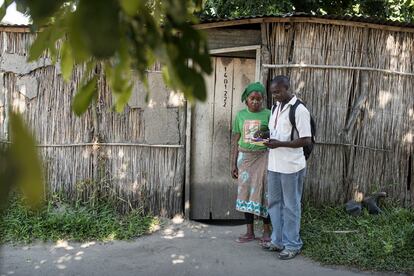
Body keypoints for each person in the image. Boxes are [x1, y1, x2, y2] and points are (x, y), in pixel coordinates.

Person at [261, 75, 312, 259]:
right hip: (274, 164)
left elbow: (306, 139)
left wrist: (280, 144)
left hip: (291, 166)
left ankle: (293, 245)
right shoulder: (276, 107)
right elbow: (277, 132)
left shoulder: (299, 110)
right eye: (273, 92)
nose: (274, 95)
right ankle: (278, 240)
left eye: (278, 92)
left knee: (291, 206)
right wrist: (265, 136)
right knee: (274, 204)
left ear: (287, 88)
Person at [231, 82, 271, 244]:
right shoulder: (240, 115)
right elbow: (235, 141)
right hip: (245, 158)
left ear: (263, 100)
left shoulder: (269, 114)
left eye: (258, 99)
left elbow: (274, 135)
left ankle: (267, 232)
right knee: (245, 193)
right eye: (252, 98)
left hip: (263, 158)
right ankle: (249, 232)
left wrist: (264, 135)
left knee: (264, 193)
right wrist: (232, 164)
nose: (255, 102)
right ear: (246, 99)